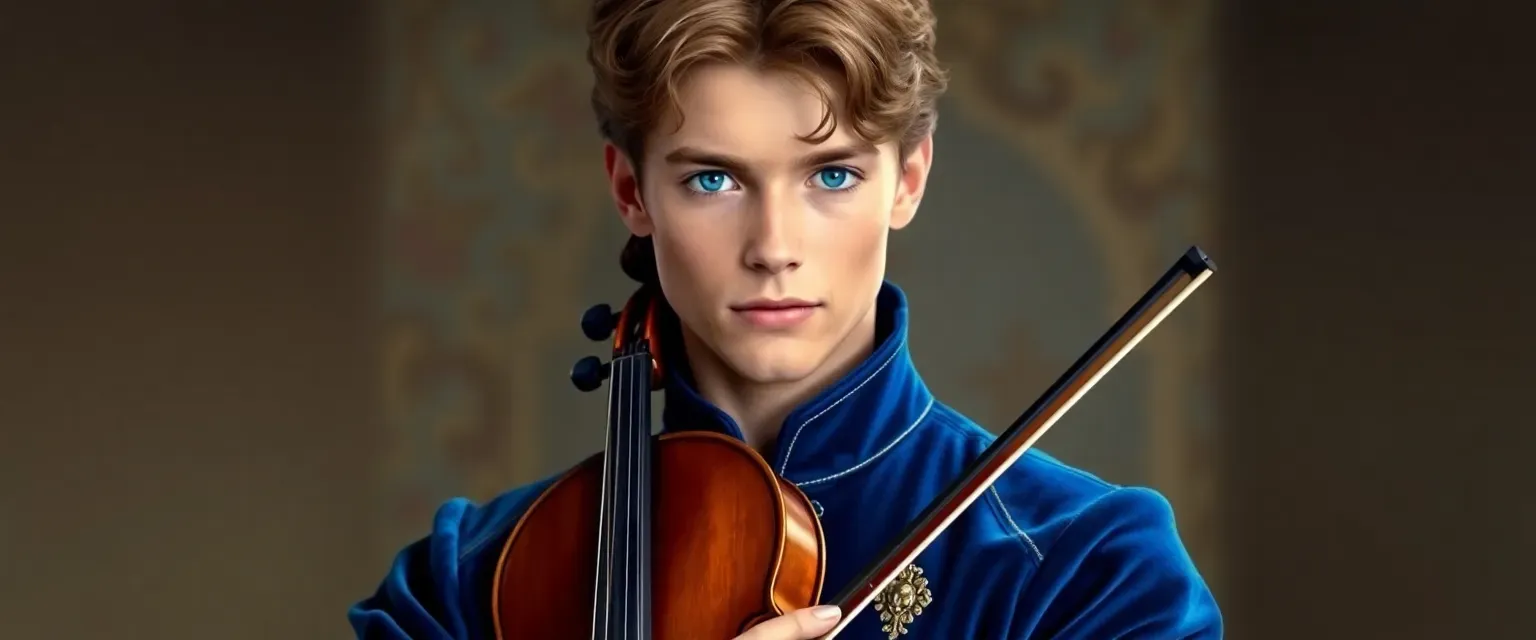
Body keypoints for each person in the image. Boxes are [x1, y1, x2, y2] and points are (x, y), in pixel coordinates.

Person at [349, 0, 1223, 637]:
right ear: (631, 191)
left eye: (831, 175)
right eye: (713, 180)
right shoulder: (469, 584)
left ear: (908, 178)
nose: (773, 246)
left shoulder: (1092, 573)